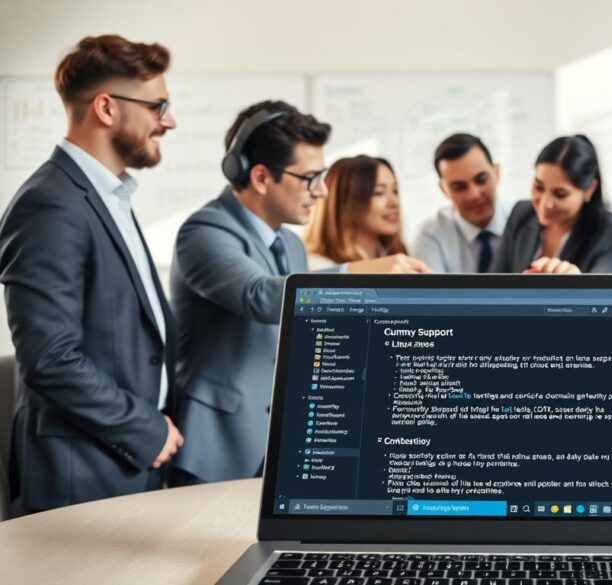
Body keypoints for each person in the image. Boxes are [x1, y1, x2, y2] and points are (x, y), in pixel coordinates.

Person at [170, 102, 428, 486]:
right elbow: (261, 297)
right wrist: (364, 271)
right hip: (217, 448)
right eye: (310, 177)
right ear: (260, 177)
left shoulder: (290, 243)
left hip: (277, 444)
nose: (321, 191)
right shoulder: (204, 231)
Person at [0, 35, 182, 511]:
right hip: (80, 473)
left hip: (128, 463)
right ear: (106, 108)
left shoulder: (108, 196)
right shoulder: (50, 203)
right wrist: (145, 428)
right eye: (158, 105)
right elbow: (50, 357)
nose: (169, 121)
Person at [490, 134, 612, 274]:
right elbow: (493, 284)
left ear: (589, 190)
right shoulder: (521, 213)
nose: (545, 203)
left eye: (560, 194)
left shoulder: (611, 234)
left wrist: (576, 283)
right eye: (539, 187)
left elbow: (605, 292)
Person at [411, 133, 509, 273]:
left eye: (481, 180)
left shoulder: (526, 224)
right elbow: (433, 294)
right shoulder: (429, 235)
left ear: (496, 173)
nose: (473, 195)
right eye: (459, 187)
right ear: (443, 189)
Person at [303, 155, 421, 268]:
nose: (394, 202)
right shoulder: (317, 266)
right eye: (379, 193)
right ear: (347, 202)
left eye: (395, 191)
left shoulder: (401, 257)